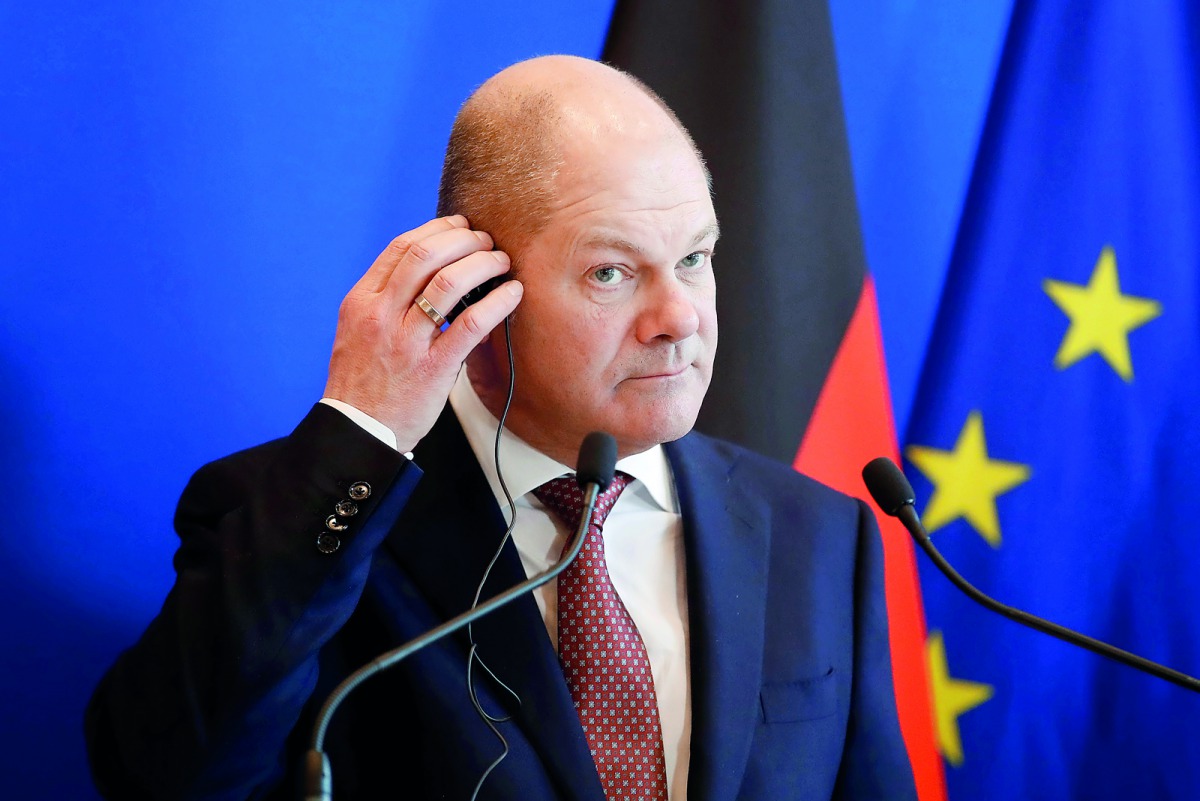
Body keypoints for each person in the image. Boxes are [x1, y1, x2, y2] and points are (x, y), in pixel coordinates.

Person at [85, 55, 916, 800]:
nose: (678, 318)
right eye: (611, 271)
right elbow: (170, 776)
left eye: (695, 258)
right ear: (478, 287)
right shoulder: (305, 518)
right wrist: (363, 431)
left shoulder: (817, 533)